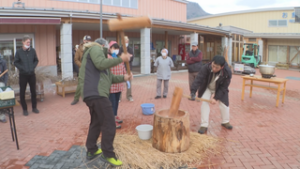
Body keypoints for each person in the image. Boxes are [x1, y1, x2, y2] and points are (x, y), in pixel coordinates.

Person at [78, 38, 132, 166]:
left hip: (93, 93)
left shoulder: (100, 60)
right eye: (108, 48)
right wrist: (121, 59)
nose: (109, 51)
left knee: (96, 122)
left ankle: (91, 150)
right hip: (96, 93)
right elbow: (101, 64)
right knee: (109, 122)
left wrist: (124, 77)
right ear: (103, 45)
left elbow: (110, 77)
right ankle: (108, 154)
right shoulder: (95, 48)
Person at [190, 55, 233, 134]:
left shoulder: (227, 72)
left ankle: (225, 121)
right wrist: (193, 91)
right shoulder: (206, 67)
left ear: (222, 67)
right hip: (208, 87)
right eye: (213, 66)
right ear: (211, 63)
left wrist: (216, 98)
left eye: (217, 67)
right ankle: (204, 125)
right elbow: (198, 79)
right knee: (204, 104)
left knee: (224, 105)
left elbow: (224, 87)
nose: (214, 68)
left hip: (220, 88)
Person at [14, 35, 39, 116]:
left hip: (32, 74)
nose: (29, 43)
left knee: (33, 92)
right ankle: (24, 109)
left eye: (29, 42)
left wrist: (32, 67)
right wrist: (22, 68)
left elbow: (36, 60)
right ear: (23, 42)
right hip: (23, 75)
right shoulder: (19, 52)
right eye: (27, 42)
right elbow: (16, 62)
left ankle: (34, 108)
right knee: (22, 93)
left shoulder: (32, 51)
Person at [107, 41, 126, 129]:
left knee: (117, 102)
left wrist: (126, 77)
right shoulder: (107, 58)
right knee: (112, 103)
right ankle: (111, 121)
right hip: (111, 86)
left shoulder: (120, 59)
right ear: (109, 49)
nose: (116, 50)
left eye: (117, 48)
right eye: (114, 48)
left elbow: (123, 69)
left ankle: (115, 116)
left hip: (119, 85)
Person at [71, 35, 92, 105]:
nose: (88, 42)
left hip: (91, 70)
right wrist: (82, 66)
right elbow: (76, 60)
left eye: (89, 41)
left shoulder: (92, 48)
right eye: (87, 41)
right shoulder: (79, 49)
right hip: (82, 70)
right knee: (80, 85)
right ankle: (76, 99)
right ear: (83, 41)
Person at [118, 36, 134, 102]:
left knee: (129, 83)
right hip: (121, 68)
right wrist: (126, 57)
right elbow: (119, 58)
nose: (126, 42)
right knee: (120, 82)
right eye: (125, 41)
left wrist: (126, 57)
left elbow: (132, 58)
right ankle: (119, 97)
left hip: (128, 68)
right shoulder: (119, 49)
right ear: (122, 42)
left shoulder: (130, 49)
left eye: (127, 41)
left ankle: (129, 96)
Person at [0, 55, 8, 123]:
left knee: (2, 101)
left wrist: (4, 83)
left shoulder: (2, 62)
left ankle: (2, 116)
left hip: (1, 83)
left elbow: (6, 73)